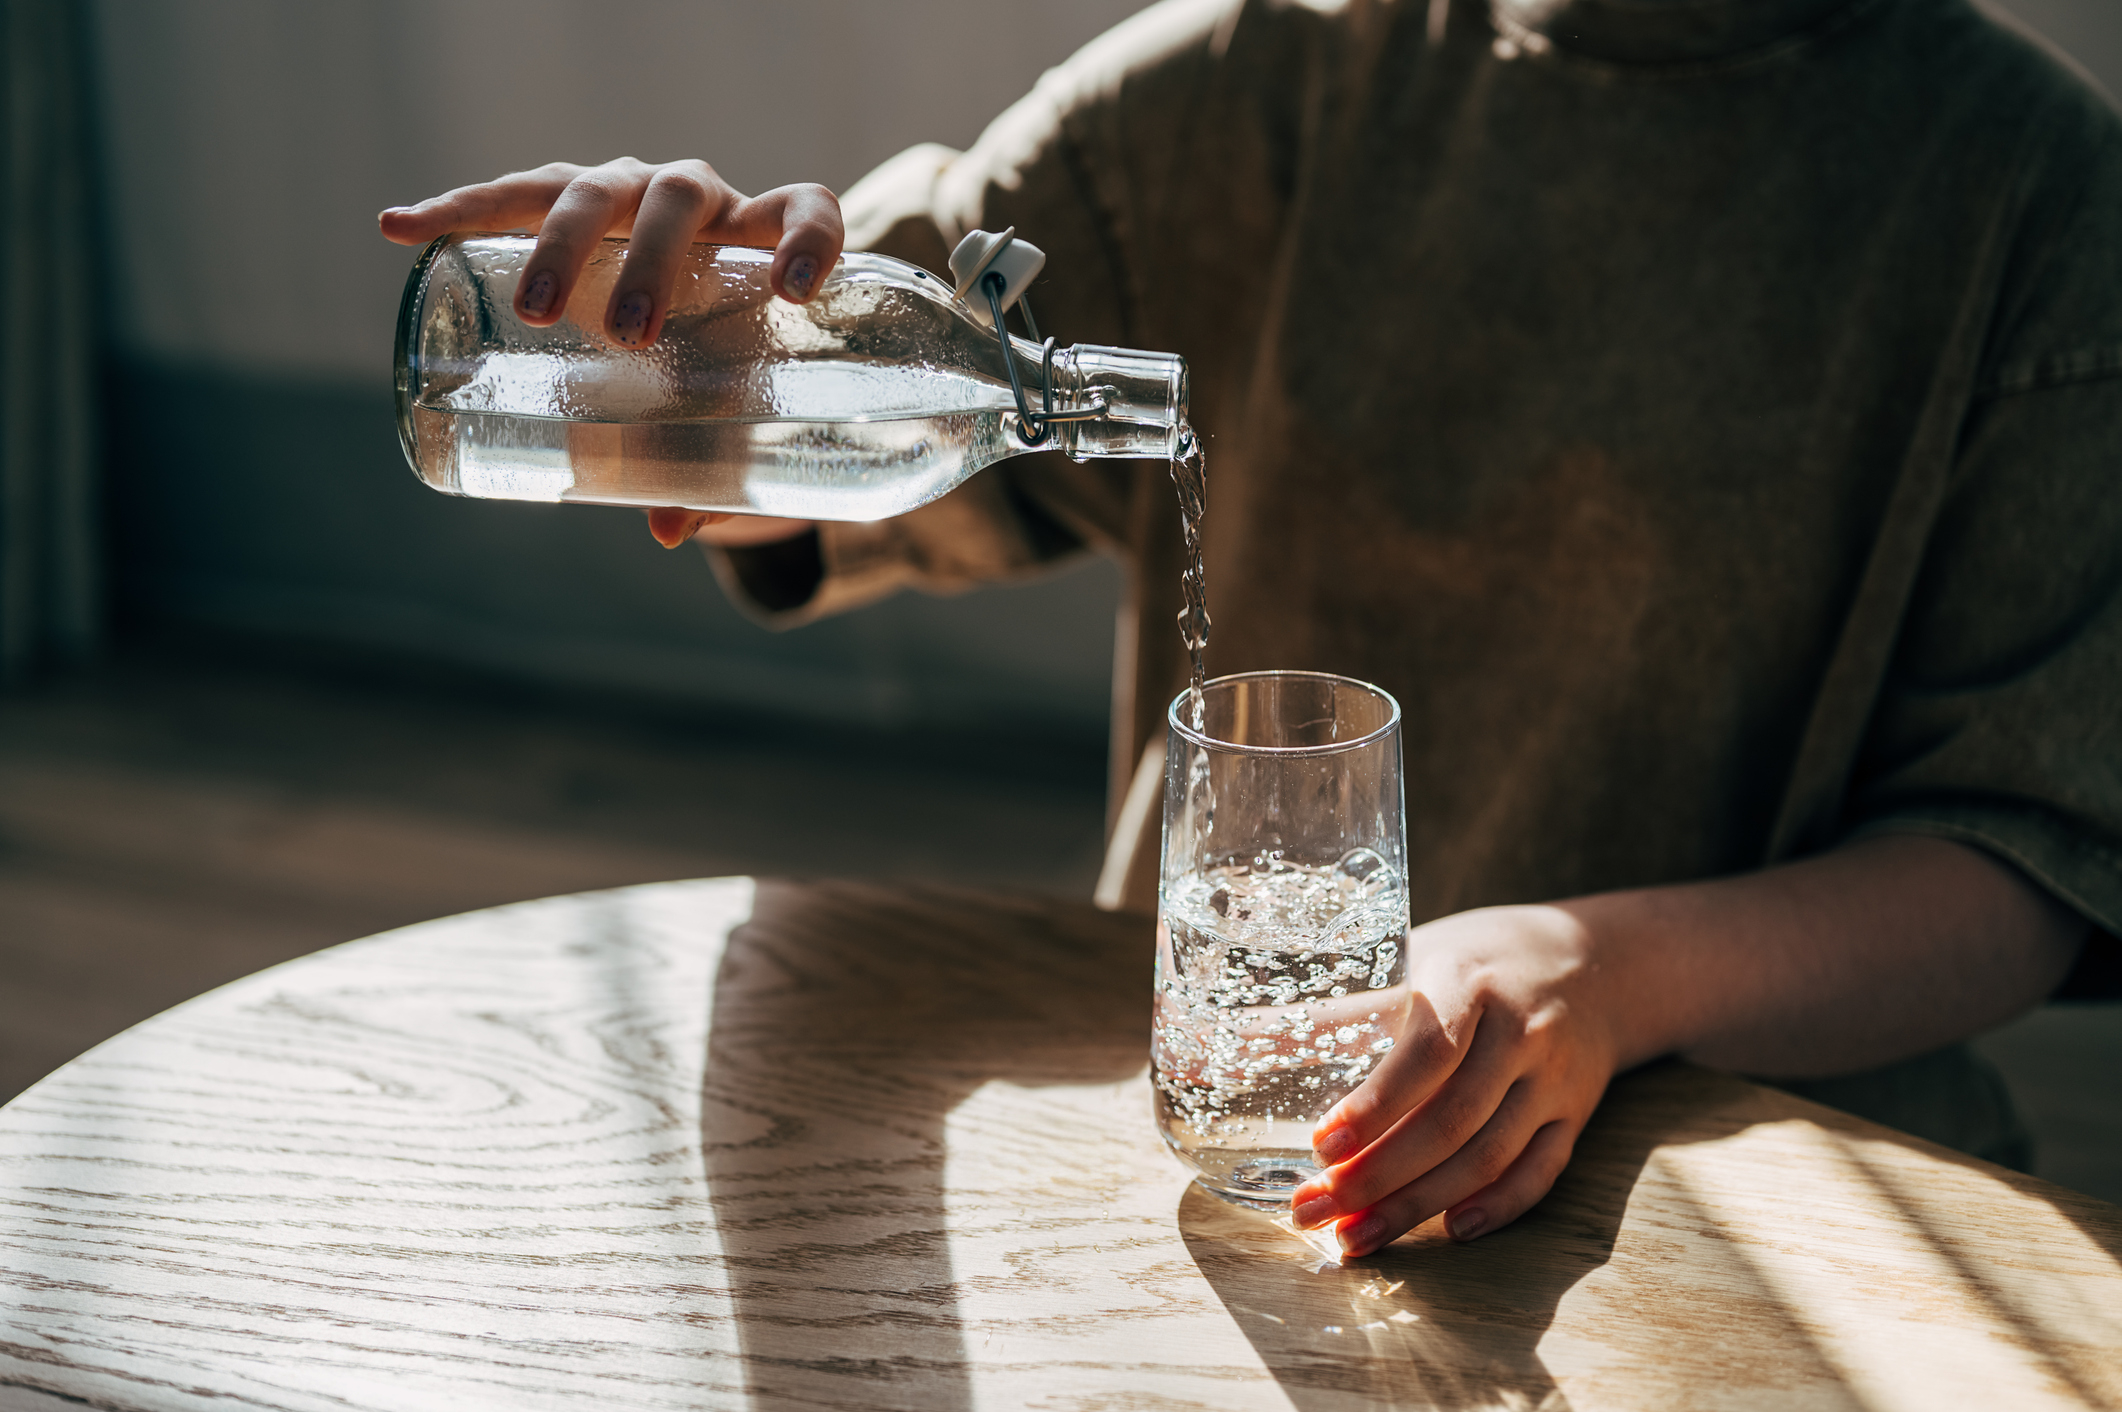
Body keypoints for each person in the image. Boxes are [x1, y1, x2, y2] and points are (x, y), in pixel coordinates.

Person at [380, 0, 2119, 1259]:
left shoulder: (2034, 196)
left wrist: (1609, 973)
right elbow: (831, 464)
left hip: (1773, 1179)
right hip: (1232, 1168)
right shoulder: (1241, 83)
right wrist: (678, 354)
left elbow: (2026, 862)